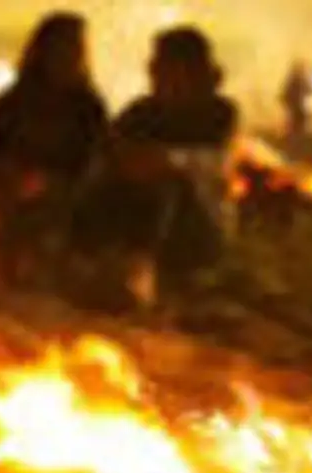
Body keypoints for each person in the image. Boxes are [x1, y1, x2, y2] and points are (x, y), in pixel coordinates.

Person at [70, 25, 238, 300]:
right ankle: (85, 264)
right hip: (133, 209)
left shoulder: (218, 113)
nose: (154, 71)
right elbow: (111, 147)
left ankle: (139, 277)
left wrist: (166, 160)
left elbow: (212, 163)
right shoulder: (141, 112)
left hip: (198, 226)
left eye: (165, 64)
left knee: (165, 187)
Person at [0, 11, 108, 282]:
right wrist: (11, 175)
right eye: (61, 47)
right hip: (11, 188)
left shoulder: (88, 107)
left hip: (67, 193)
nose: (68, 56)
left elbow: (93, 161)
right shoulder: (12, 103)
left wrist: (53, 182)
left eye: (75, 48)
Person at [280, 60, 310, 144]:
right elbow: (284, 96)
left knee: (301, 131)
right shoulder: (292, 81)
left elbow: (309, 93)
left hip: (301, 111)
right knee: (294, 131)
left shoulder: (304, 81)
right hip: (295, 110)